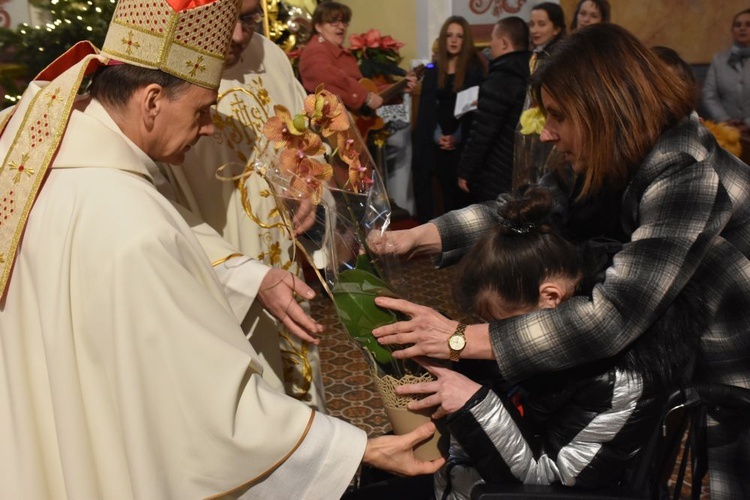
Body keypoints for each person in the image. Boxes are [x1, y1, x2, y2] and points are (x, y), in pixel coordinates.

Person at [0, 0, 444, 497]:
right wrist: (351, 449)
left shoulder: (40, 150)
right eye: (201, 111)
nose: (209, 127)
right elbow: (207, 406)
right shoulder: (134, 226)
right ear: (150, 101)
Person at [370, 24, 750, 499]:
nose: (547, 133)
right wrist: (421, 237)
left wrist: (458, 338)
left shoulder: (687, 173)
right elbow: (518, 209)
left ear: (605, 110)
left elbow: (612, 317)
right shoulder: (614, 150)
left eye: (557, 115)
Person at [400, 187, 700, 499]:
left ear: (551, 297)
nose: (486, 335)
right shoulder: (542, 320)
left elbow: (548, 478)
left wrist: (473, 404)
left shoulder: (619, 377)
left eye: (499, 324)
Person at [166, 0, 328, 410]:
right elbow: (155, 203)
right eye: (229, 19)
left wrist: (309, 179)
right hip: (219, 277)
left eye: (251, 18)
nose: (241, 35)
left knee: (301, 394)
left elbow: (305, 137)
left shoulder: (267, 54)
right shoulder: (165, 67)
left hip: (286, 265)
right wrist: (245, 277)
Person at [412, 15, 486, 222]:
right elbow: (427, 109)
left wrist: (457, 136)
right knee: (442, 196)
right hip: (437, 144)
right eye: (449, 35)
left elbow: (475, 109)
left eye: (459, 36)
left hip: (462, 144)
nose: (453, 40)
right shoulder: (434, 71)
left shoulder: (474, 69)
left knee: (462, 200)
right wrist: (438, 136)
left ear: (466, 40)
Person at [456, 17, 531, 202]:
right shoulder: (532, 71)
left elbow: (482, 132)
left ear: (504, 43)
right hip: (524, 166)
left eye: (493, 39)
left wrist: (466, 170)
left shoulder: (501, 78)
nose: (490, 44)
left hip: (497, 171)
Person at [298, 1, 384, 112]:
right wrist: (365, 97)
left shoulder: (339, 51)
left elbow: (365, 88)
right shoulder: (314, 51)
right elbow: (327, 77)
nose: (341, 27)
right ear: (318, 27)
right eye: (334, 22)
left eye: (344, 22)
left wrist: (399, 88)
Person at [702, 8, 750, 136]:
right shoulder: (719, 59)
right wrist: (725, 120)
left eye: (748, 24)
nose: (742, 28)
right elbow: (709, 94)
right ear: (732, 30)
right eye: (738, 25)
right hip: (725, 132)